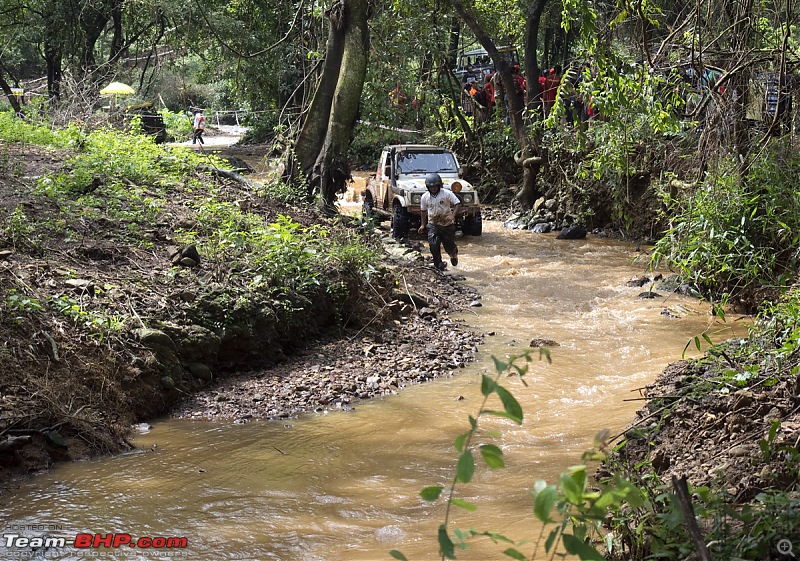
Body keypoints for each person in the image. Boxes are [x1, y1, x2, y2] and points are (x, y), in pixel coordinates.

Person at [418, 172, 462, 272]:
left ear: (439, 185)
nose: (433, 188)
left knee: (449, 246)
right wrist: (423, 224)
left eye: (435, 186)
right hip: (433, 224)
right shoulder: (424, 197)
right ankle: (439, 265)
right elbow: (423, 211)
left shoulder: (446, 193)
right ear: (428, 187)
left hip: (447, 224)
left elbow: (457, 204)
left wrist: (452, 215)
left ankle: (453, 255)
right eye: (431, 187)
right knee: (433, 244)